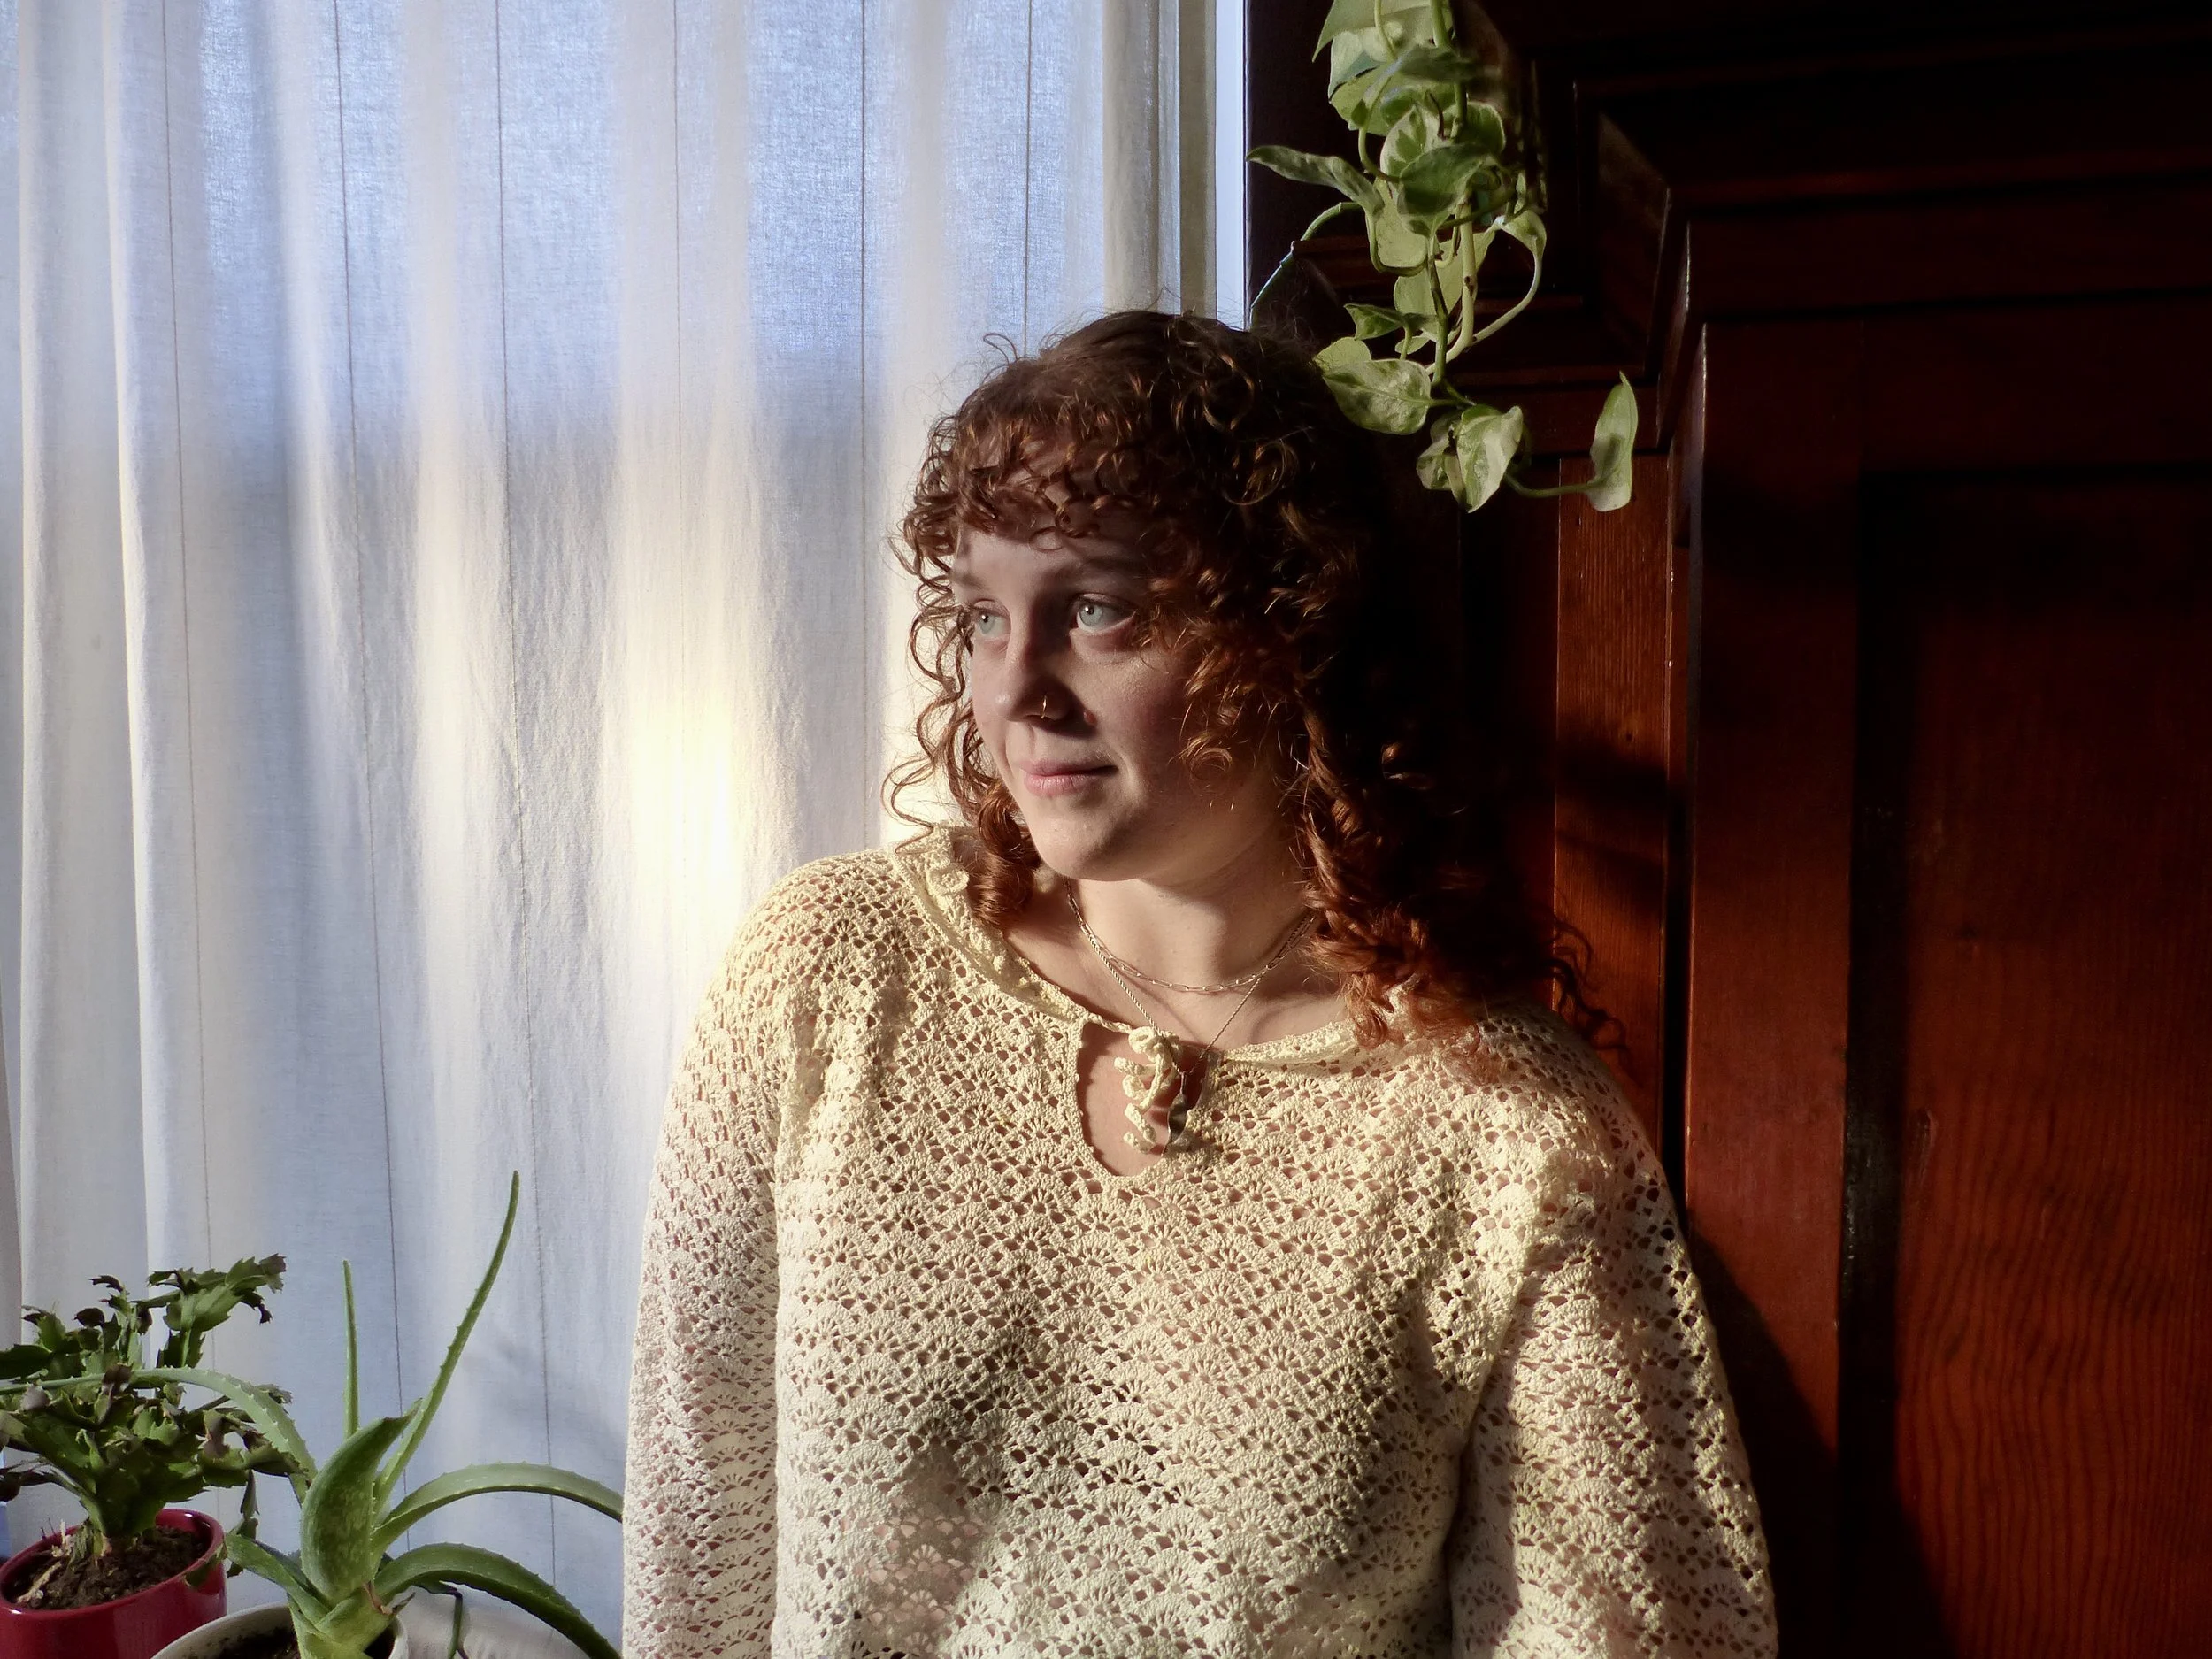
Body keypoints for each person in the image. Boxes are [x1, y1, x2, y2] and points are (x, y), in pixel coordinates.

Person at [621, 311, 1777, 1657]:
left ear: (1290, 627)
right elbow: (695, 1545)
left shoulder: (1506, 1134)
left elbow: (1627, 1634)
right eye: (984, 615)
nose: (1018, 688)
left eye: (1097, 606)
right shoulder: (823, 978)